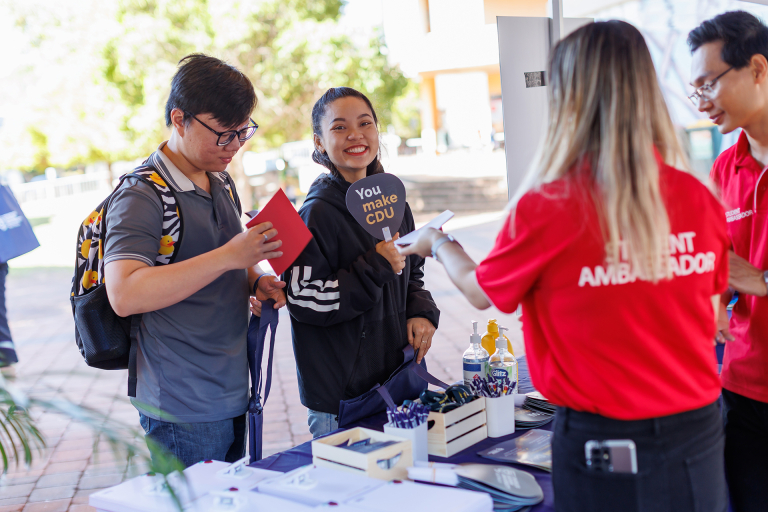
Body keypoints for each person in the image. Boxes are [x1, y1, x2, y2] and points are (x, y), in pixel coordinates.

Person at [400, 21, 729, 512]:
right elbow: (711, 311)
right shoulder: (697, 196)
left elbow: (478, 291)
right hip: (698, 431)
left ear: (569, 97)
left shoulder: (550, 206)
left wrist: (437, 241)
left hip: (607, 442)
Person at [103, 54, 286, 468]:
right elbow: (124, 292)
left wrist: (255, 279)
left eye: (243, 132)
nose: (236, 145)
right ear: (179, 119)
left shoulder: (219, 178)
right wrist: (230, 257)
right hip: (181, 404)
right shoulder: (142, 194)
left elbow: (232, 256)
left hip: (233, 387)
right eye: (224, 134)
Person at [285, 87, 440, 438]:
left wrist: (420, 311)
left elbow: (412, 272)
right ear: (319, 142)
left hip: (398, 381)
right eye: (339, 127)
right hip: (344, 401)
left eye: (365, 123)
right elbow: (304, 299)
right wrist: (375, 265)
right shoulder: (315, 213)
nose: (356, 135)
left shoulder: (393, 198)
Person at [689, 12, 768, 511]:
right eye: (693, 91)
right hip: (744, 390)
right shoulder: (724, 167)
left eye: (708, 85)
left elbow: (751, 273)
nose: (702, 103)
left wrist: (759, 278)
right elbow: (724, 264)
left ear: (758, 69)